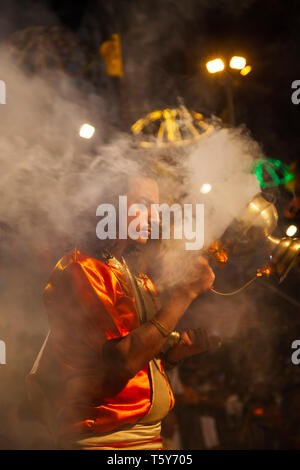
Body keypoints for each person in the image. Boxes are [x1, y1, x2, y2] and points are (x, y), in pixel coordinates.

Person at [28, 174, 218, 450]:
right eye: (143, 205)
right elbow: (123, 361)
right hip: (104, 441)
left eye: (157, 208)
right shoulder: (81, 269)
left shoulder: (133, 274)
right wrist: (184, 296)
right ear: (109, 206)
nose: (155, 218)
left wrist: (174, 355)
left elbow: (142, 360)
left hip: (149, 438)